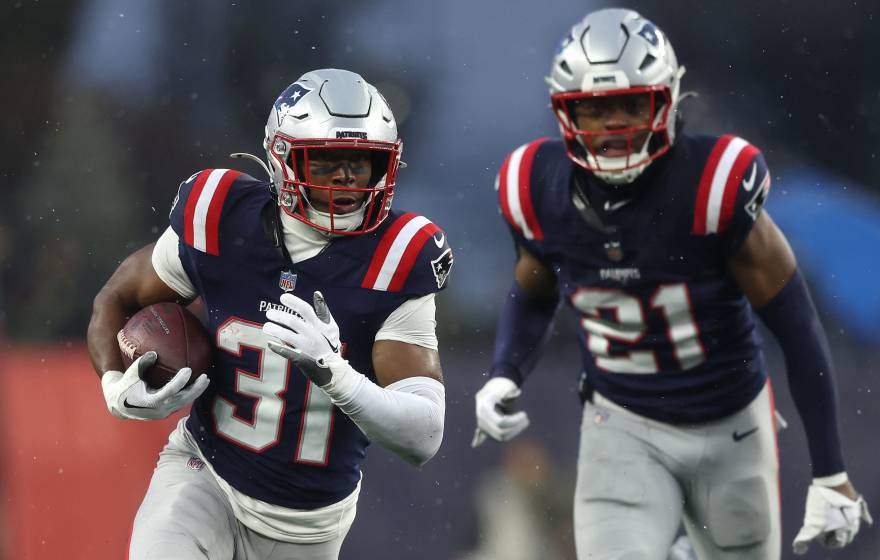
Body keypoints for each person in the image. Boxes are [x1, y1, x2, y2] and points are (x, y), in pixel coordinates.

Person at [472, 8, 871, 560]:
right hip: (621, 422)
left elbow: (798, 326)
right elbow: (533, 289)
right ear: (565, 113)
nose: (615, 127)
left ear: (667, 100)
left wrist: (832, 473)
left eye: (631, 105)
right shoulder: (536, 188)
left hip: (730, 428)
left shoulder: (713, 184)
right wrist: (504, 372)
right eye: (595, 109)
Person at [87, 68, 453, 560]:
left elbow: (423, 435)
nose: (346, 179)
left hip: (311, 526)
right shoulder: (219, 216)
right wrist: (114, 384)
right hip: (205, 476)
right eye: (327, 163)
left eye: (361, 163)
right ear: (282, 160)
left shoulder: (396, 257)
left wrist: (335, 375)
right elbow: (116, 298)